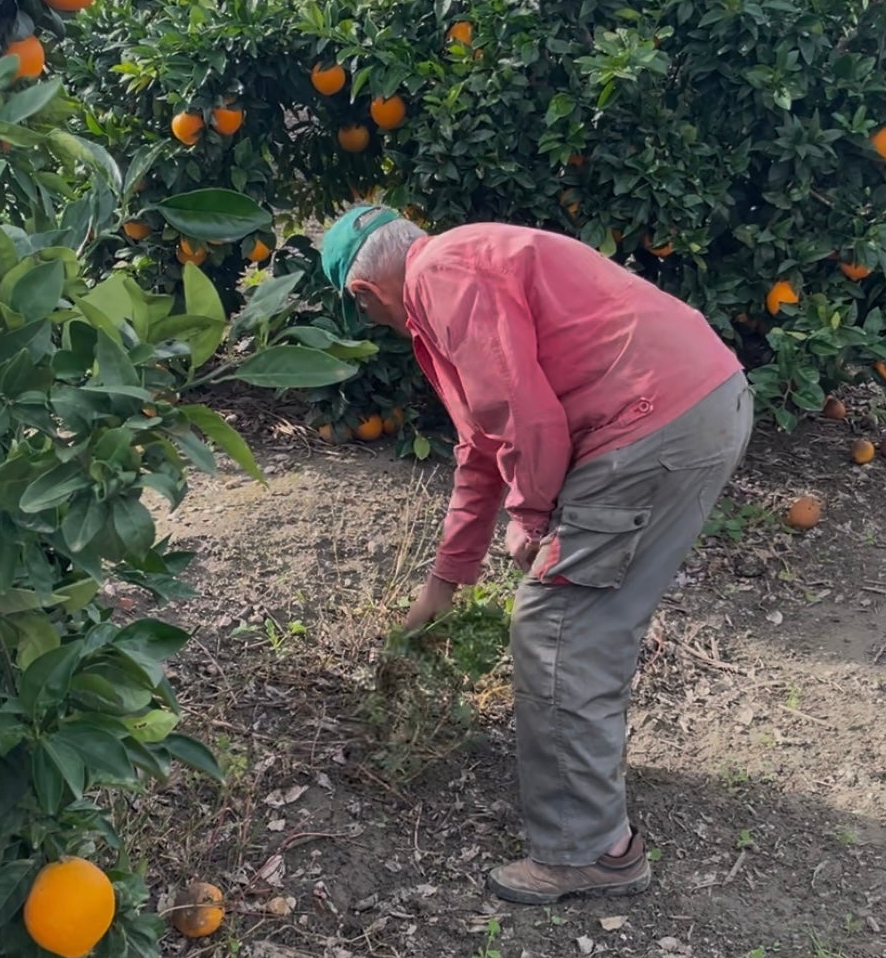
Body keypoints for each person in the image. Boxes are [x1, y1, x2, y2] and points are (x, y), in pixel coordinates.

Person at [320, 205, 753, 905]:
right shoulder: (463, 262)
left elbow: (523, 413)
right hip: (701, 401)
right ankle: (589, 793)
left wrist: (531, 516)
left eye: (367, 315)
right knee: (591, 621)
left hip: (649, 424)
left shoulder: (442, 277)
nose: (380, 326)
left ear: (365, 293)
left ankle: (591, 850)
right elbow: (482, 445)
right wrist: (444, 584)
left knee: (557, 630)